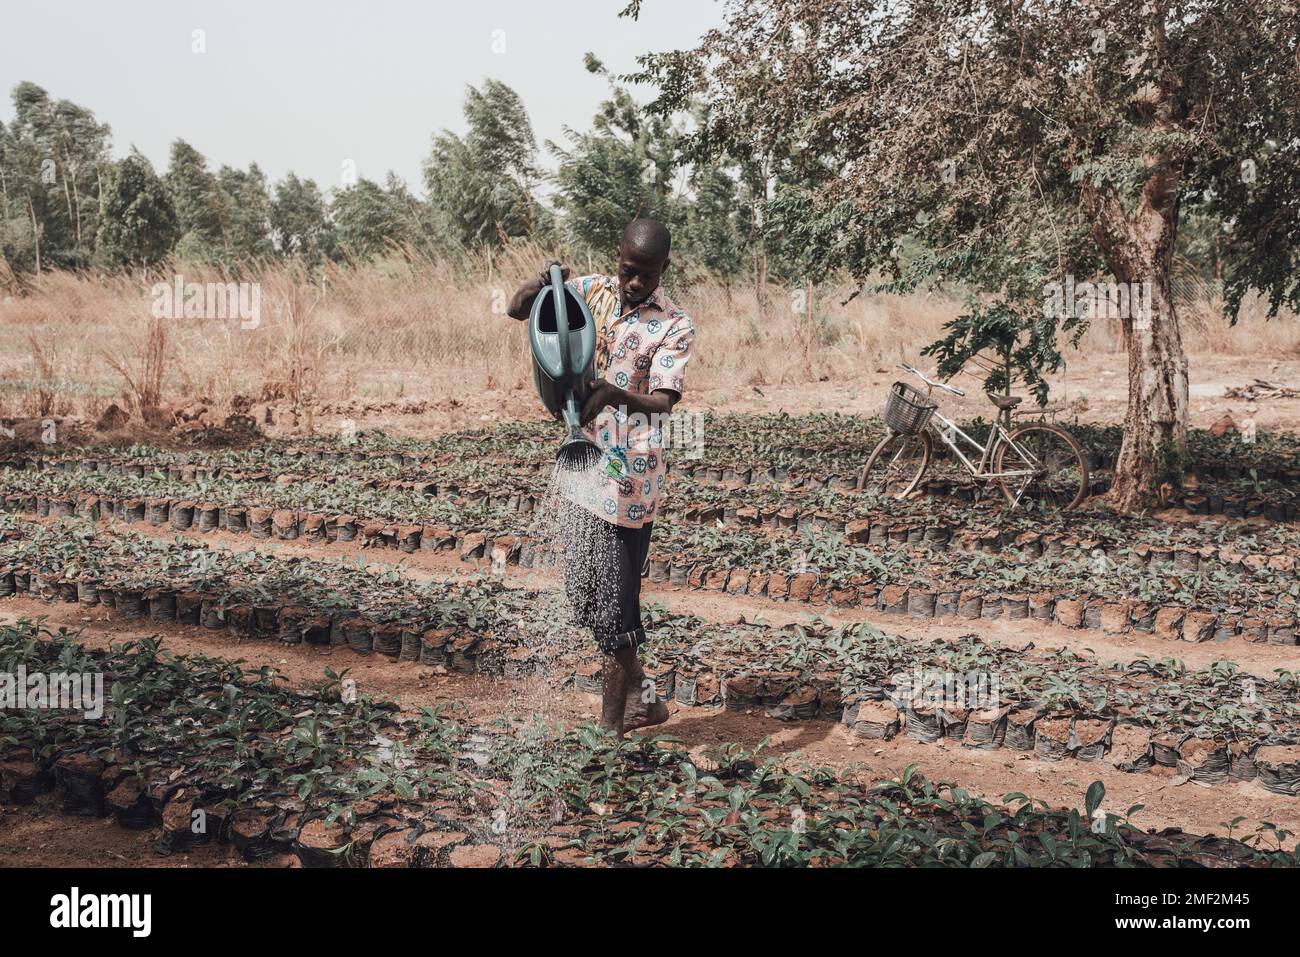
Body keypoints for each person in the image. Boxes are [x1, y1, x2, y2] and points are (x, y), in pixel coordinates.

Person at [507, 218, 695, 736]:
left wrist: (614, 394)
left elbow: (662, 403)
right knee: (583, 594)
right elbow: (519, 310)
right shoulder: (590, 292)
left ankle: (612, 727)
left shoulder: (675, 325)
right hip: (582, 461)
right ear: (618, 258)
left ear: (664, 270)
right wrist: (541, 283)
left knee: (615, 609)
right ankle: (645, 695)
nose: (635, 283)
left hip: (629, 481)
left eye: (647, 275)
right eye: (628, 271)